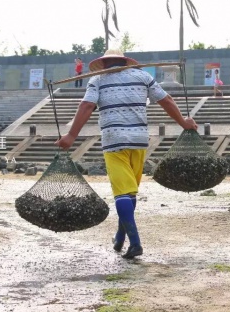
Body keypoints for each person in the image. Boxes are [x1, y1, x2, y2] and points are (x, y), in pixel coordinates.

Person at [55, 50, 197, 259]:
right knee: (129, 192)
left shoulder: (98, 80)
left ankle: (135, 243)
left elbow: (87, 106)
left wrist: (70, 136)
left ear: (104, 64)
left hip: (114, 142)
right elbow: (166, 100)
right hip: (139, 140)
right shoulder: (143, 77)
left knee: (122, 193)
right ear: (123, 61)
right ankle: (120, 238)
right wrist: (184, 122)